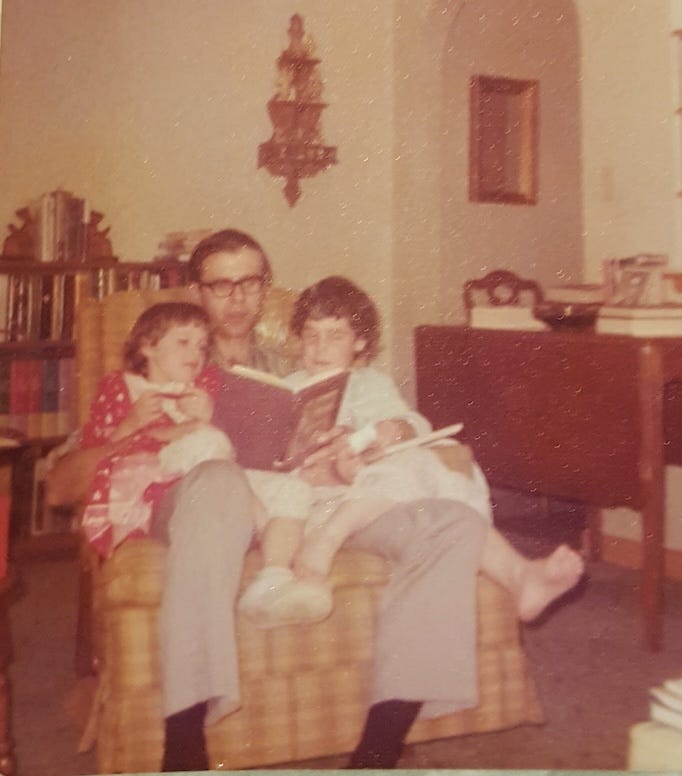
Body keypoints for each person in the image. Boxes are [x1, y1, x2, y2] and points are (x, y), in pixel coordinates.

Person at [47, 229, 584, 771]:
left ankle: (377, 750)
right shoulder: (160, 370)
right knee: (218, 479)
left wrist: (352, 452)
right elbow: (61, 486)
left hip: (318, 503)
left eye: (249, 282)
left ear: (265, 288)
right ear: (195, 293)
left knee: (450, 523)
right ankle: (184, 748)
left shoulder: (296, 364)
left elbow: (380, 423)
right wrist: (129, 435)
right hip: (215, 501)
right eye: (220, 285)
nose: (237, 297)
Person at [239, 276, 584, 631]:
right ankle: (323, 544)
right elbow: (265, 466)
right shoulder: (287, 390)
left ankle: (521, 575)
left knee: (425, 459)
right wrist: (315, 466)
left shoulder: (371, 384)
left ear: (359, 342)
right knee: (416, 482)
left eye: (335, 335)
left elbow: (412, 425)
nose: (320, 348)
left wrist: (389, 432)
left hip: (370, 498)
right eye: (311, 336)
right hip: (314, 507)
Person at [79, 301, 235, 558]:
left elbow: (235, 443)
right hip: (147, 489)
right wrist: (131, 424)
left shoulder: (205, 386)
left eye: (202, 346)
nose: (196, 353)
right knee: (208, 441)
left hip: (201, 482)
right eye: (183, 342)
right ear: (148, 346)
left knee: (212, 441)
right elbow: (96, 452)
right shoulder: (120, 387)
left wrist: (211, 416)